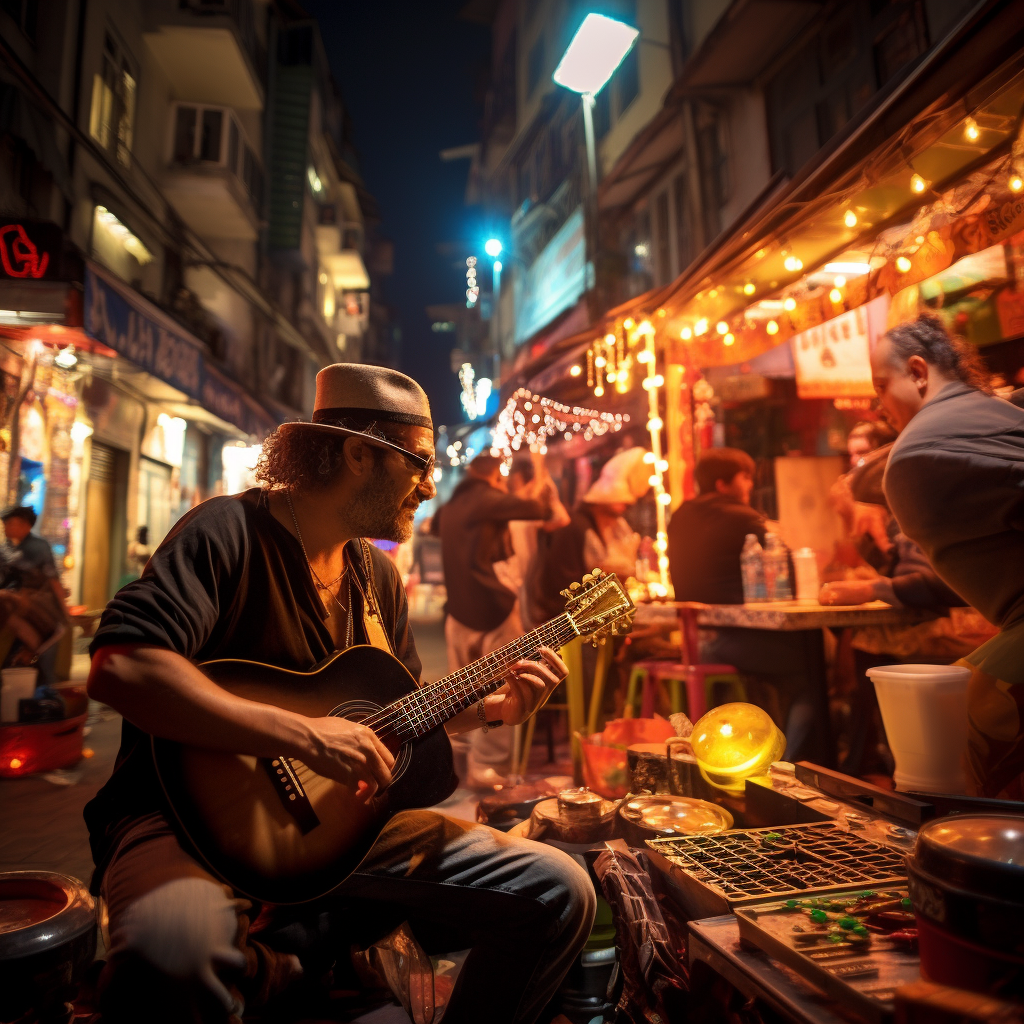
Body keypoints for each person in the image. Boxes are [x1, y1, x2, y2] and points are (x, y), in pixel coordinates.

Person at [83, 364, 595, 1024]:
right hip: (186, 822)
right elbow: (121, 668)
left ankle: (288, 962)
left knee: (560, 890)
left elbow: (395, 722)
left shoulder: (376, 578)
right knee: (173, 950)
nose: (430, 487)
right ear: (360, 454)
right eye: (419, 465)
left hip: (339, 833)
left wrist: (492, 711)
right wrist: (299, 735)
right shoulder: (227, 534)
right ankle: (280, 964)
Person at [871, 312, 1024, 799]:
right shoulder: (994, 418)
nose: (878, 406)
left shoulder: (925, 452)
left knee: (945, 736)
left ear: (918, 372)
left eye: (880, 386)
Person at [666, 450, 828, 764]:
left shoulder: (680, 516)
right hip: (737, 641)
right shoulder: (744, 517)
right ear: (722, 482)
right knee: (813, 669)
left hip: (696, 640)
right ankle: (791, 762)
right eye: (746, 477)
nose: (750, 485)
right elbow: (791, 571)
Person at [436, 451, 557, 787]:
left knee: (459, 693)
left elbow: (433, 529)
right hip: (493, 609)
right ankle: (488, 768)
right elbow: (540, 511)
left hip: (457, 613)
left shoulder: (449, 507)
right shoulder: (487, 498)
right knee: (507, 688)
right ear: (494, 476)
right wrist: (543, 479)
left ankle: (465, 764)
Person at [531, 447, 648, 623]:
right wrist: (601, 575)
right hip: (566, 624)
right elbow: (560, 585)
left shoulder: (602, 526)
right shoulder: (575, 528)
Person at [1, 505, 68, 697]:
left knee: (45, 674)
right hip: (11, 609)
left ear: (26, 526)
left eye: (11, 523)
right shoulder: (3, 549)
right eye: (5, 523)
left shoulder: (39, 547)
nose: (6, 527)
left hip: (38, 608)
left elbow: (53, 579)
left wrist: (64, 611)